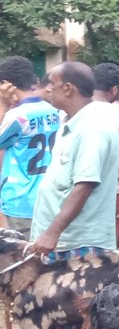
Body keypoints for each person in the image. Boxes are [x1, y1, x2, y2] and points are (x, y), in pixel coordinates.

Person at [29, 62, 119, 329]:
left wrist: (52, 232)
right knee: (64, 306)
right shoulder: (72, 122)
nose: (46, 90)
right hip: (65, 235)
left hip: (82, 235)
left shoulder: (94, 127)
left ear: (67, 88)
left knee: (86, 310)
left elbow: (85, 184)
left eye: (51, 85)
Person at [0, 55, 62, 234]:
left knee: (20, 250)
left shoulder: (16, 116)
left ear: (6, 85)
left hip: (20, 200)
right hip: (50, 198)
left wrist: (2, 105)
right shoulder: (54, 111)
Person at [91, 63, 119, 241]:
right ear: (115, 89)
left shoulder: (72, 113)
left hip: (74, 190)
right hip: (111, 191)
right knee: (106, 242)